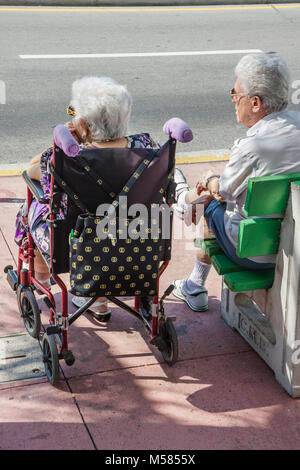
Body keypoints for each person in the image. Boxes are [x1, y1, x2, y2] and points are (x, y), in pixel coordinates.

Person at [15, 76, 156, 321]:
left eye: (74, 114)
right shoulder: (147, 147)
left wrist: (69, 140)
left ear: (83, 124)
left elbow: (30, 171)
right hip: (136, 242)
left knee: (34, 209)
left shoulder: (68, 160)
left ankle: (43, 279)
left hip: (77, 246)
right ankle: (98, 301)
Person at [172, 52, 300, 312]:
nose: (233, 101)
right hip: (294, 245)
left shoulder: (251, 146)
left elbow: (223, 192)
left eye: (235, 94)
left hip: (254, 254)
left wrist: (209, 178)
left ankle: (194, 286)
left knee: (210, 203)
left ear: (255, 103)